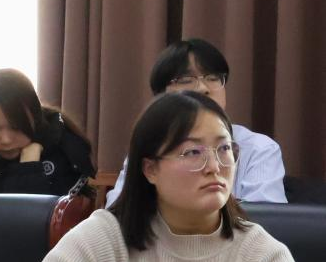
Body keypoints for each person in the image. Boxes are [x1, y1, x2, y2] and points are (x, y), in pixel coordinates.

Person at [0, 92, 301, 262]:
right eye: (193, 152)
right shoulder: (108, 236)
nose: (214, 166)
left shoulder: (265, 257)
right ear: (150, 169)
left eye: (224, 149)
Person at [105, 38, 286, 205]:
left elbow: (269, 220)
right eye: (186, 80)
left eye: (213, 78)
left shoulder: (259, 149)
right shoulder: (149, 146)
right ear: (161, 96)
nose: (203, 88)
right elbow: (118, 211)